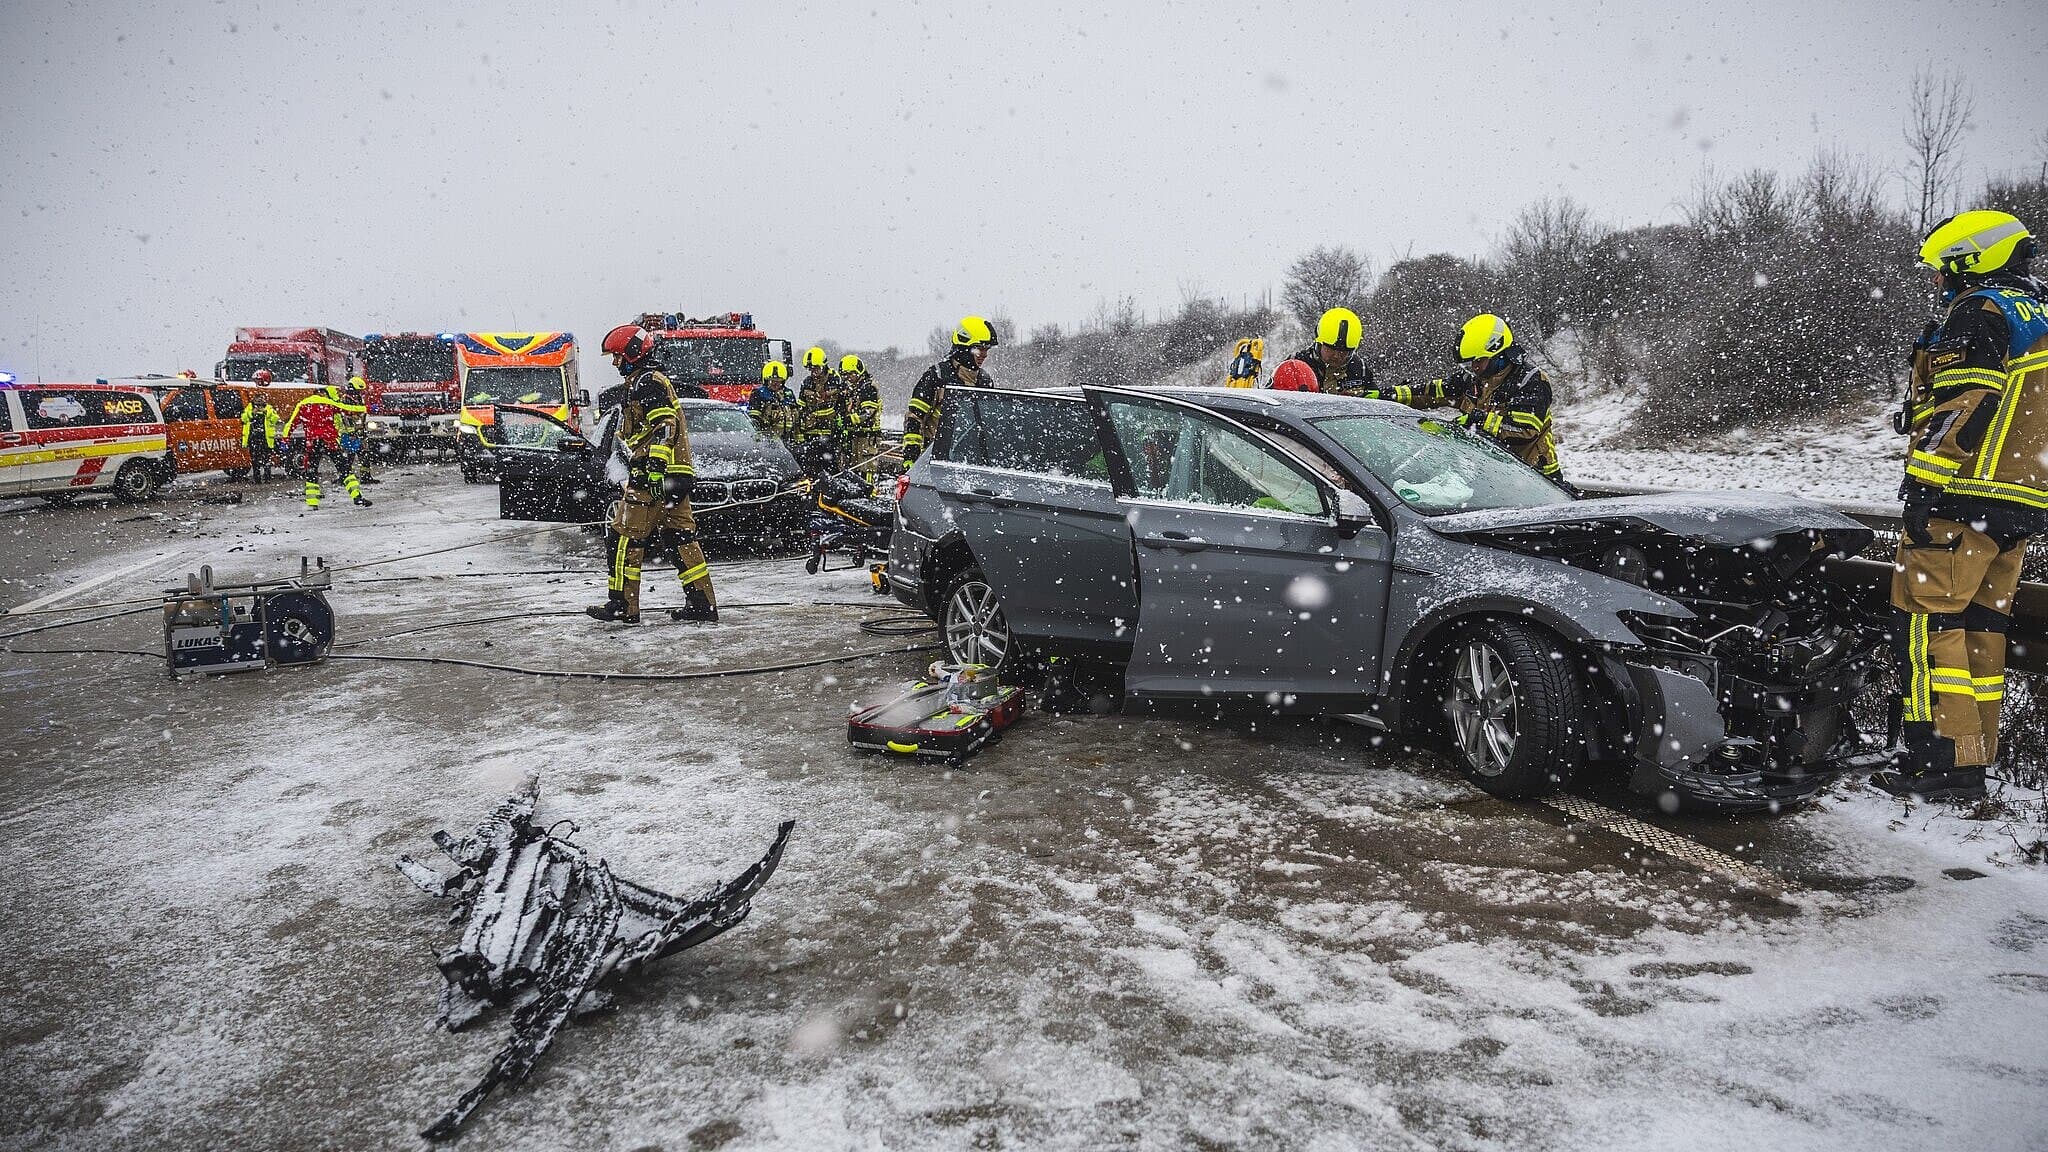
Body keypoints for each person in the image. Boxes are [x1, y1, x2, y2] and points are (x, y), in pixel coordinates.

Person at [1874, 210, 2046, 802]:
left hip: (1962, 498)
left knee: (1927, 625)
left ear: (1971, 261)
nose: (1942, 282)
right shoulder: (2041, 315)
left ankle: (1940, 761)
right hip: (2022, 504)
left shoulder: (1980, 313)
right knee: (1983, 630)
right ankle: (1975, 757)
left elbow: (1961, 403)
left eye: (1946, 269)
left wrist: (1925, 486)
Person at [586, 324, 717, 625]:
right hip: (677, 476)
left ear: (632, 353)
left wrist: (655, 470)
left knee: (622, 538)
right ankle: (702, 603)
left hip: (653, 475)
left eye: (617, 356)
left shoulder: (647, 383)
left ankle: (621, 604)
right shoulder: (653, 379)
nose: (615, 363)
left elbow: (665, 426)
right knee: (680, 539)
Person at [1371, 314, 1564, 484]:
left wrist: (1477, 420)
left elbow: (1524, 430)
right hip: (1494, 472)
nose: (1475, 367)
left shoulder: (1530, 381)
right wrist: (1389, 395)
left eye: (1479, 360)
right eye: (1472, 362)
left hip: (1536, 476)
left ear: (1499, 355)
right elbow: (1434, 391)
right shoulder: (1475, 379)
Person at [901, 315, 998, 471]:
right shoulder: (937, 376)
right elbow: (914, 418)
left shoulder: (984, 381)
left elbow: (990, 422)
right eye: (980, 348)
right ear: (965, 347)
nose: (984, 354)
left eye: (987, 349)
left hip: (973, 463)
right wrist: (911, 457)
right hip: (935, 461)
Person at [279, 384, 370, 510]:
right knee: (344, 469)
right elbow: (348, 408)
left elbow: (290, 423)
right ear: (323, 394)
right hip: (329, 441)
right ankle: (357, 497)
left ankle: (312, 503)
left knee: (311, 472)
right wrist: (365, 408)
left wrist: (285, 439)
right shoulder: (327, 402)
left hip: (313, 443)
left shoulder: (303, 404)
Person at [1281, 308, 1374, 395]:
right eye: (1330, 349)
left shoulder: (1359, 368)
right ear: (1319, 344)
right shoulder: (1294, 366)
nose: (1336, 356)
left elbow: (1375, 397)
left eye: (1344, 352)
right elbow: (1273, 403)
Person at [792, 351, 846, 476]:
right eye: (810, 368)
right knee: (811, 469)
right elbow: (801, 408)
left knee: (831, 469)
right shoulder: (807, 383)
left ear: (824, 365)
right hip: (810, 435)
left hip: (830, 434)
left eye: (816, 368)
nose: (813, 371)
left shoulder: (835, 380)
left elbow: (842, 406)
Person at [840, 353, 883, 480]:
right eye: (845, 375)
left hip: (868, 437)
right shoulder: (853, 389)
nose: (848, 378)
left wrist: (850, 419)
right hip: (855, 436)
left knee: (867, 468)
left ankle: (869, 493)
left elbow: (868, 413)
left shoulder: (868, 388)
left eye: (850, 374)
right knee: (854, 470)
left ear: (858, 371)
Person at [338, 375, 379, 485]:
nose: (360, 393)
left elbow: (360, 414)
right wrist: (351, 431)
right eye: (358, 390)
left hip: (359, 431)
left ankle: (366, 476)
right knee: (349, 456)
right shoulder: (345, 400)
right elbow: (345, 417)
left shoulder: (357, 398)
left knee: (364, 454)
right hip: (349, 433)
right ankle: (345, 477)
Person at [748, 361, 796, 441]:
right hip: (768, 440)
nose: (775, 383)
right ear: (766, 380)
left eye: (778, 381)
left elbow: (796, 417)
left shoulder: (788, 394)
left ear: (783, 381)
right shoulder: (759, 393)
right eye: (772, 380)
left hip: (788, 440)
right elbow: (754, 419)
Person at [240, 392, 280, 483]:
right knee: (255, 460)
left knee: (266, 460)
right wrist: (252, 413)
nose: (259, 402)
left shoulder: (269, 408)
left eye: (261, 399)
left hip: (265, 439)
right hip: (253, 438)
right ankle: (257, 478)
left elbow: (276, 419)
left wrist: (266, 413)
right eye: (257, 399)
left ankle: (267, 478)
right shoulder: (249, 408)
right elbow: (243, 419)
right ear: (254, 400)